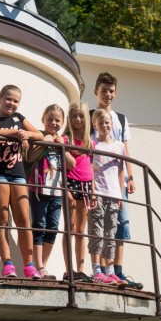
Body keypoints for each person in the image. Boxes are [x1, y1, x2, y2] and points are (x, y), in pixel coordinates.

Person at [0, 85, 43, 278]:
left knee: (24, 220)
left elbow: (39, 135)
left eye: (16, 101)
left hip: (17, 173)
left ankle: (29, 265)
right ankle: (8, 264)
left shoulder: (19, 118)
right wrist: (14, 133)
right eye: (8, 99)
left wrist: (25, 134)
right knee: (2, 219)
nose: (12, 103)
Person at [92, 72, 142, 289]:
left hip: (117, 182)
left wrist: (130, 177)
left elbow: (124, 150)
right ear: (96, 92)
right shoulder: (90, 116)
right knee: (99, 225)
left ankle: (117, 271)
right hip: (97, 182)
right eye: (104, 90)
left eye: (111, 91)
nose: (108, 95)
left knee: (120, 225)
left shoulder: (120, 119)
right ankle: (101, 271)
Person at [26, 104, 73, 280]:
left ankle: (43, 266)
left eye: (57, 120)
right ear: (43, 120)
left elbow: (72, 164)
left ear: (62, 123)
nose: (53, 123)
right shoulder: (39, 137)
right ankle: (38, 265)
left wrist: (62, 148)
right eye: (50, 119)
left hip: (57, 191)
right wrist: (43, 143)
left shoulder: (63, 141)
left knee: (52, 228)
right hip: (39, 189)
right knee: (39, 226)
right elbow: (29, 158)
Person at [89, 109, 127, 287]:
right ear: (94, 125)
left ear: (111, 124)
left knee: (110, 233)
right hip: (99, 193)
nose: (104, 126)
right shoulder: (93, 144)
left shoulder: (119, 146)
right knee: (96, 231)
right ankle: (97, 270)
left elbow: (121, 171)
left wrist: (121, 195)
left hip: (113, 194)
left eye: (107, 122)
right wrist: (93, 191)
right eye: (100, 123)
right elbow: (89, 168)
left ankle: (110, 271)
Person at [63, 102, 94, 283]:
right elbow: (60, 165)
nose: (78, 119)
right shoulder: (65, 139)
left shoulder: (90, 141)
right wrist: (65, 187)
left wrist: (94, 192)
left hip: (86, 184)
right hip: (70, 183)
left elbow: (91, 167)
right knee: (70, 228)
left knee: (82, 230)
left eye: (81, 116)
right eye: (74, 116)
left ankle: (81, 270)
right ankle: (69, 269)